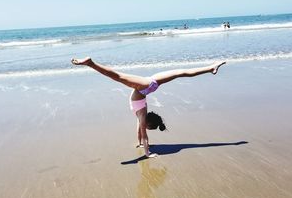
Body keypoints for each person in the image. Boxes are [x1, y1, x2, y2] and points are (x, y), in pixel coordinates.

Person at [71, 57, 226, 158]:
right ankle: (91, 63)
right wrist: (147, 153)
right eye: (148, 127)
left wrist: (139, 144)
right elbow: (144, 135)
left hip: (151, 83)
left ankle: (211, 67)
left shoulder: (141, 116)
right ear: (149, 123)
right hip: (146, 85)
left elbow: (140, 131)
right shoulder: (142, 116)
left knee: (181, 72)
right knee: (117, 76)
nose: (145, 128)